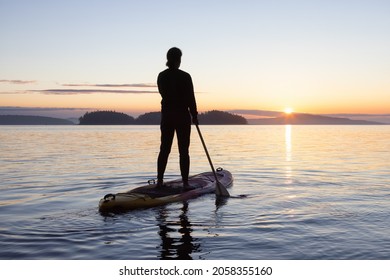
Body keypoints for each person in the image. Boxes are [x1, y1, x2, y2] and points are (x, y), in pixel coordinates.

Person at [157, 47, 198, 188]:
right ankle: (185, 182)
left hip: (167, 116)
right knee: (183, 151)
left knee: (164, 149)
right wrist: (195, 115)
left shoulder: (161, 76)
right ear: (178, 59)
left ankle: (160, 181)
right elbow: (190, 98)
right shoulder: (185, 76)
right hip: (181, 116)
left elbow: (163, 94)